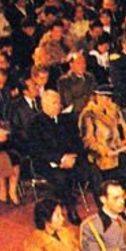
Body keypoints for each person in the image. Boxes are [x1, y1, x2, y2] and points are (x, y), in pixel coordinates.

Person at [26, 91, 89, 224]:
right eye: (54, 103)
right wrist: (60, 159)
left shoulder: (67, 120)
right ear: (44, 105)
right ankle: (71, 209)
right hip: (47, 163)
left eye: (59, 103)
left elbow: (77, 142)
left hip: (71, 159)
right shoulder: (34, 124)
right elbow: (37, 150)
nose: (58, 106)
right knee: (61, 178)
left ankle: (104, 206)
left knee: (92, 170)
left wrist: (72, 157)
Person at [79, 87, 126, 204]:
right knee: (120, 167)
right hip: (101, 153)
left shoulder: (114, 110)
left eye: (109, 98)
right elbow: (88, 141)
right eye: (104, 98)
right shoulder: (88, 115)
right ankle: (117, 198)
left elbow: (125, 129)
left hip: (118, 148)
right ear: (97, 97)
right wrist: (103, 150)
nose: (107, 101)